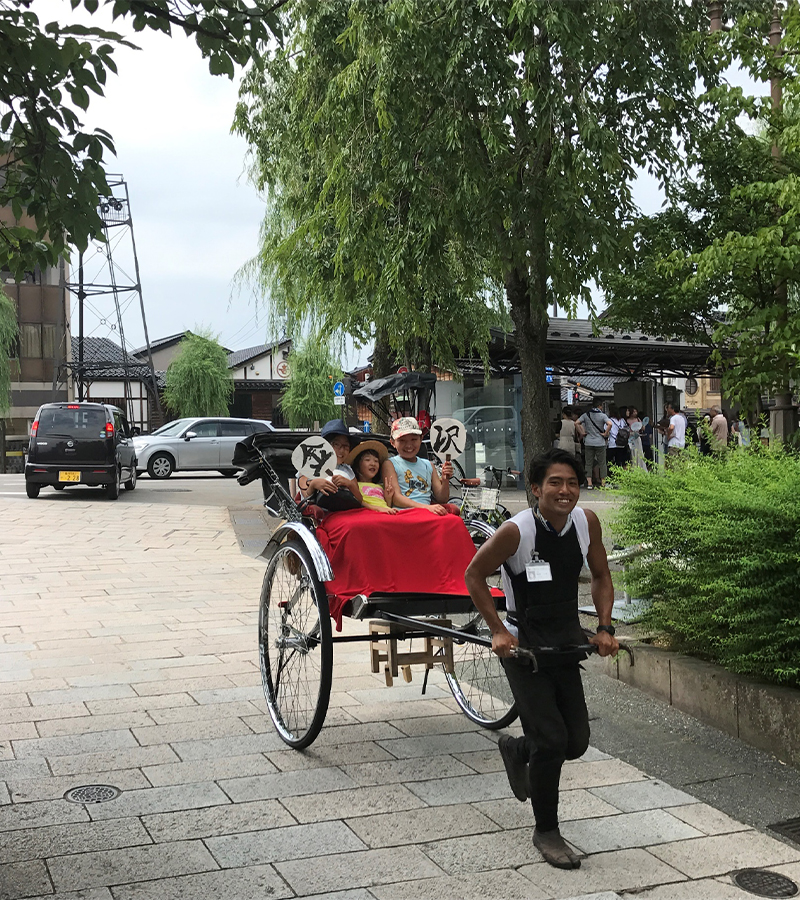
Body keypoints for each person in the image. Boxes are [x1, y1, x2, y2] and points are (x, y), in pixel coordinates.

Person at [464, 449, 618, 870]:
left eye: (571, 483)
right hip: (522, 643)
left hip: (564, 638)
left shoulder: (586, 523)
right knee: (551, 739)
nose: (564, 491)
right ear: (535, 489)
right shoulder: (518, 531)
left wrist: (605, 627)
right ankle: (546, 830)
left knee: (577, 741)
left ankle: (517, 751)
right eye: (554, 482)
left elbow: (602, 575)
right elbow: (474, 575)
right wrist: (496, 629)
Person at [382, 416, 456, 515]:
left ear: (421, 439)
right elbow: (396, 498)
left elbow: (442, 499)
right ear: (392, 442)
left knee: (455, 522)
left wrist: (445, 478)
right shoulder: (390, 464)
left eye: (413, 439)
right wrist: (426, 507)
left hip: (427, 512)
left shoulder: (429, 465)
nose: (409, 445)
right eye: (402, 440)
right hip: (404, 513)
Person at [299, 419, 361, 508]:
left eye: (346, 446)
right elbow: (305, 496)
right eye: (336, 444)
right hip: (318, 516)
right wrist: (313, 484)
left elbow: (359, 499)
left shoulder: (347, 469)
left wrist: (349, 484)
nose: (342, 450)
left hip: (345, 513)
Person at [346, 441, 398, 514]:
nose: (373, 464)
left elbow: (386, 507)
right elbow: (359, 503)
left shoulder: (381, 486)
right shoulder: (354, 485)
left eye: (376, 461)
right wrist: (377, 509)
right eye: (367, 460)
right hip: (367, 514)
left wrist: (388, 498)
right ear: (357, 466)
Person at [577, 404, 612, 489]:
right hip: (600, 442)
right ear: (600, 406)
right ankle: (603, 483)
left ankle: (589, 483)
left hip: (588, 442)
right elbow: (610, 424)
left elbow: (576, 423)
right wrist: (606, 433)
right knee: (602, 463)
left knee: (588, 463)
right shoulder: (602, 415)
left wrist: (581, 433)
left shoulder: (586, 415)